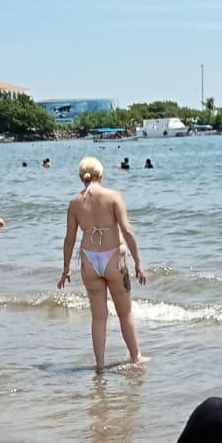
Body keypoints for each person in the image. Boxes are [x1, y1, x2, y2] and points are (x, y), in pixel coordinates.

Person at [58, 156, 147, 371]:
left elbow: (69, 239)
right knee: (125, 313)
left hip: (89, 261)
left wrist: (66, 268)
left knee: (98, 317)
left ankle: (99, 365)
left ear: (82, 177)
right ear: (101, 174)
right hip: (114, 259)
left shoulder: (75, 202)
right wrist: (138, 262)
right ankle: (136, 357)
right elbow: (127, 230)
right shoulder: (113, 196)